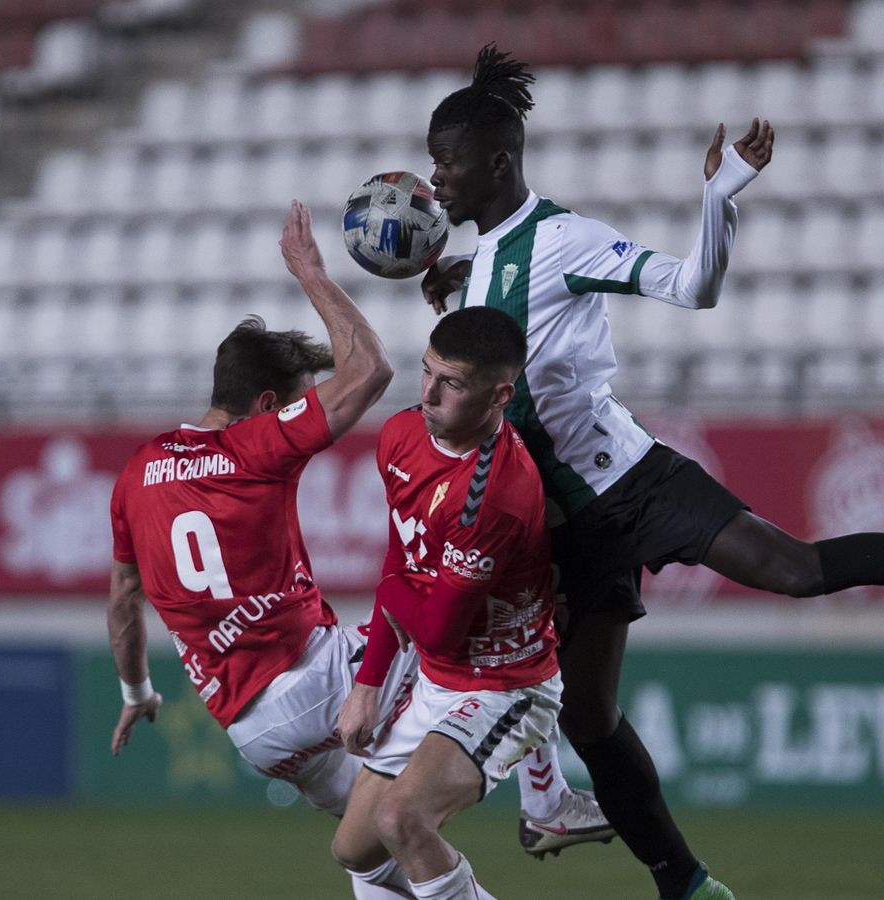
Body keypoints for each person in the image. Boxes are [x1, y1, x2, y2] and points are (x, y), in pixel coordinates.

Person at [415, 46, 884, 900]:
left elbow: (693, 287)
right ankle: (684, 883)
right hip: (559, 523)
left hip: (630, 483)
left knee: (796, 569)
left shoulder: (563, 237)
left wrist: (717, 199)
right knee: (589, 715)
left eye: (449, 162)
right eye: (434, 162)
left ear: (498, 163)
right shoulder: (482, 267)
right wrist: (459, 292)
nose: (436, 179)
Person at [106, 204, 605, 899]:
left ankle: (536, 805)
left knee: (371, 851)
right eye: (293, 404)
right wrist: (310, 272)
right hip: (312, 675)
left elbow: (125, 602)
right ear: (266, 403)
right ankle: (547, 799)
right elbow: (368, 369)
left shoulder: (136, 472)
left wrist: (136, 692)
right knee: (470, 625)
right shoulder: (251, 447)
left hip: (253, 733)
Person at [333, 305, 568, 900]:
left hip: (503, 685)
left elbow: (434, 628)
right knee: (355, 849)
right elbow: (402, 560)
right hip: (437, 681)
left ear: (499, 395)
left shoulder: (496, 495)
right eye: (427, 372)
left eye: (453, 383)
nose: (429, 394)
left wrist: (390, 594)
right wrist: (368, 685)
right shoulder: (402, 435)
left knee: (401, 821)